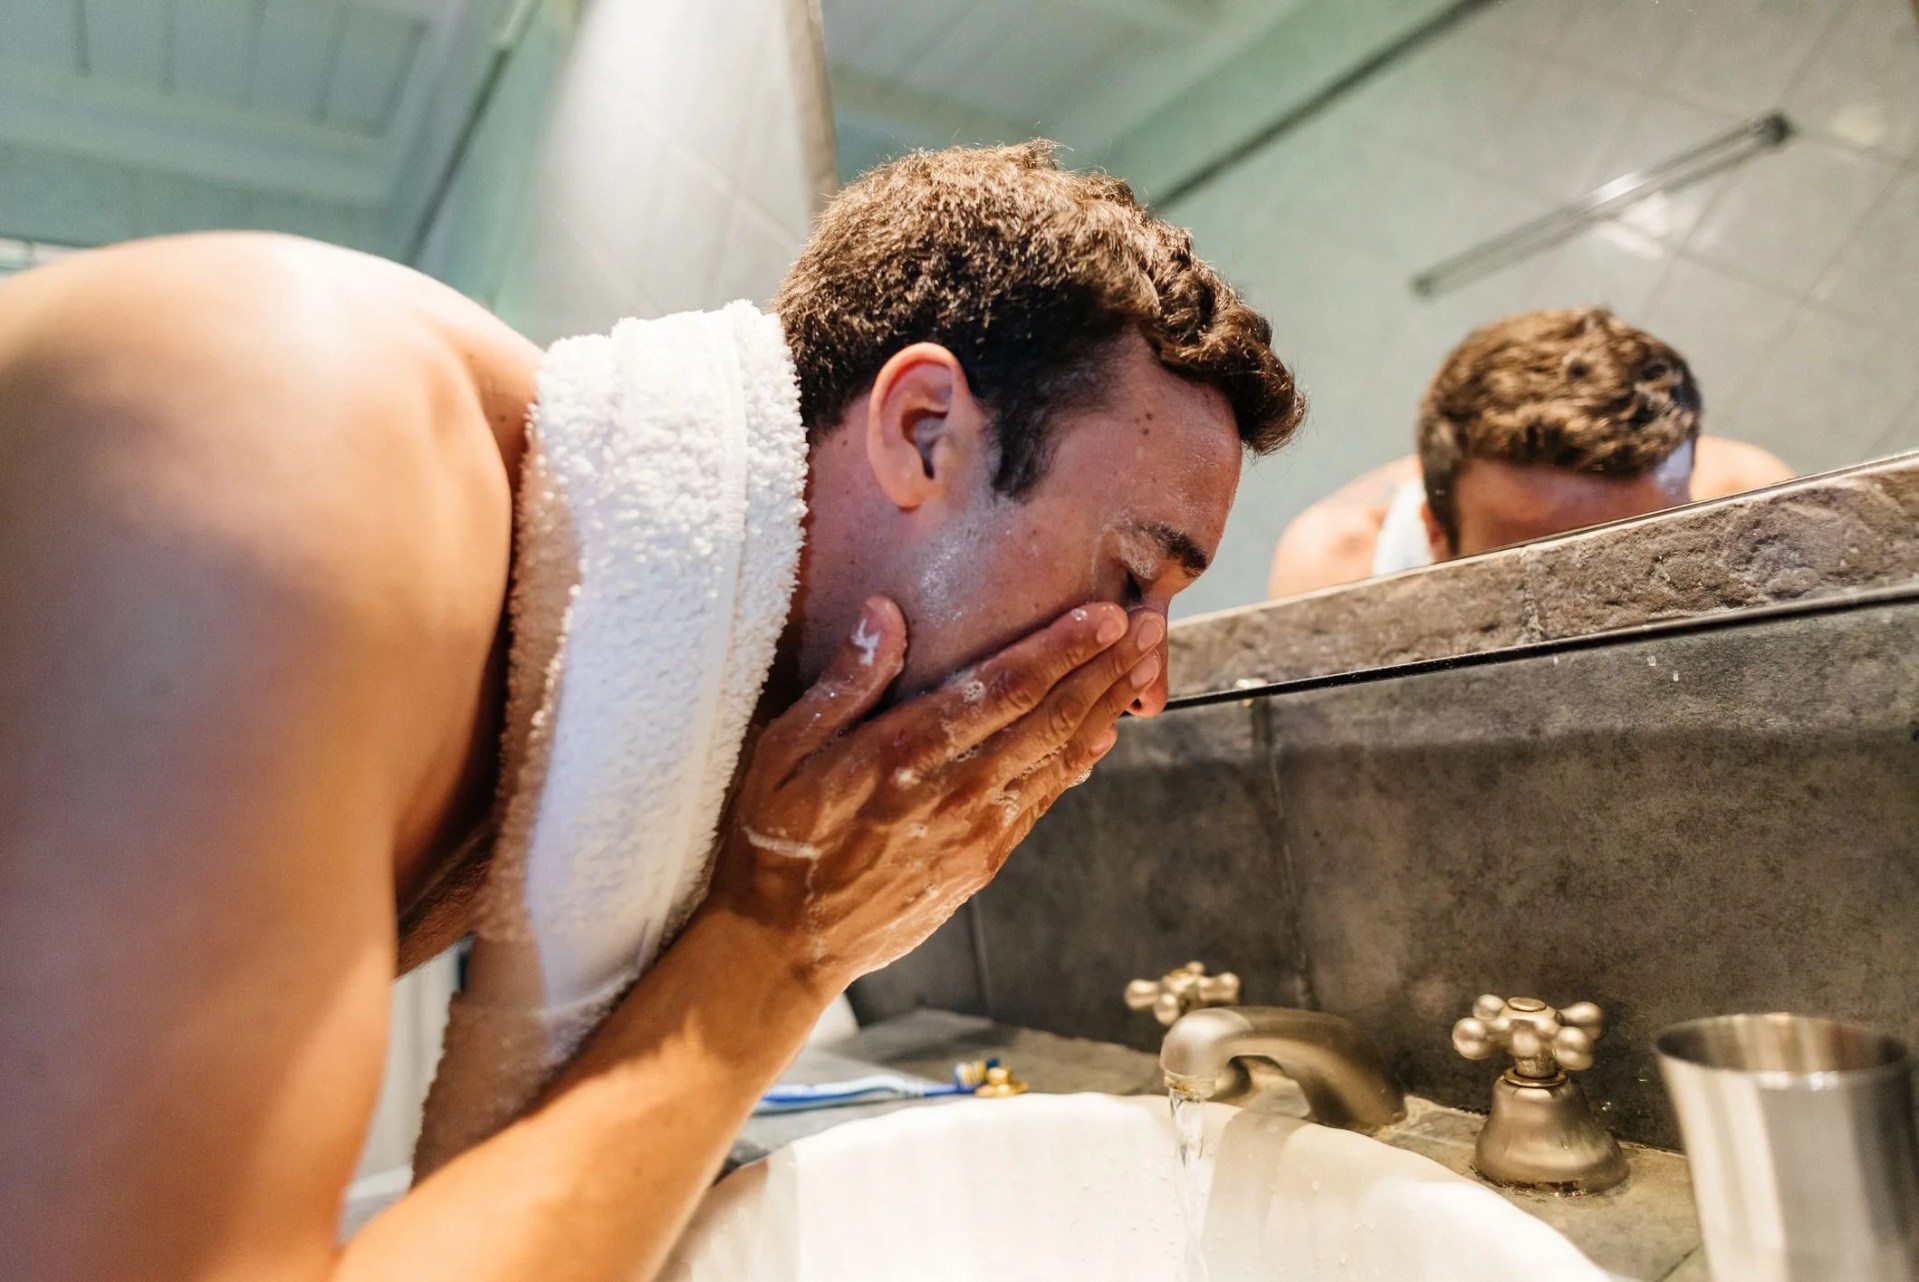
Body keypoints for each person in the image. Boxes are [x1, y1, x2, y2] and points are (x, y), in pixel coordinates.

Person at [0, 142, 1300, 1280]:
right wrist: (770, 949)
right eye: (1131, 577)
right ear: (917, 430)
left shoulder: (540, 647)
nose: (1139, 674)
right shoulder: (290, 455)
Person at [1267, 307, 1792, 598]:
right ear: (1435, 534)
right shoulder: (1338, 570)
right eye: (1539, 574)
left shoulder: (1748, 501)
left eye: (1646, 553)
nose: (1601, 605)